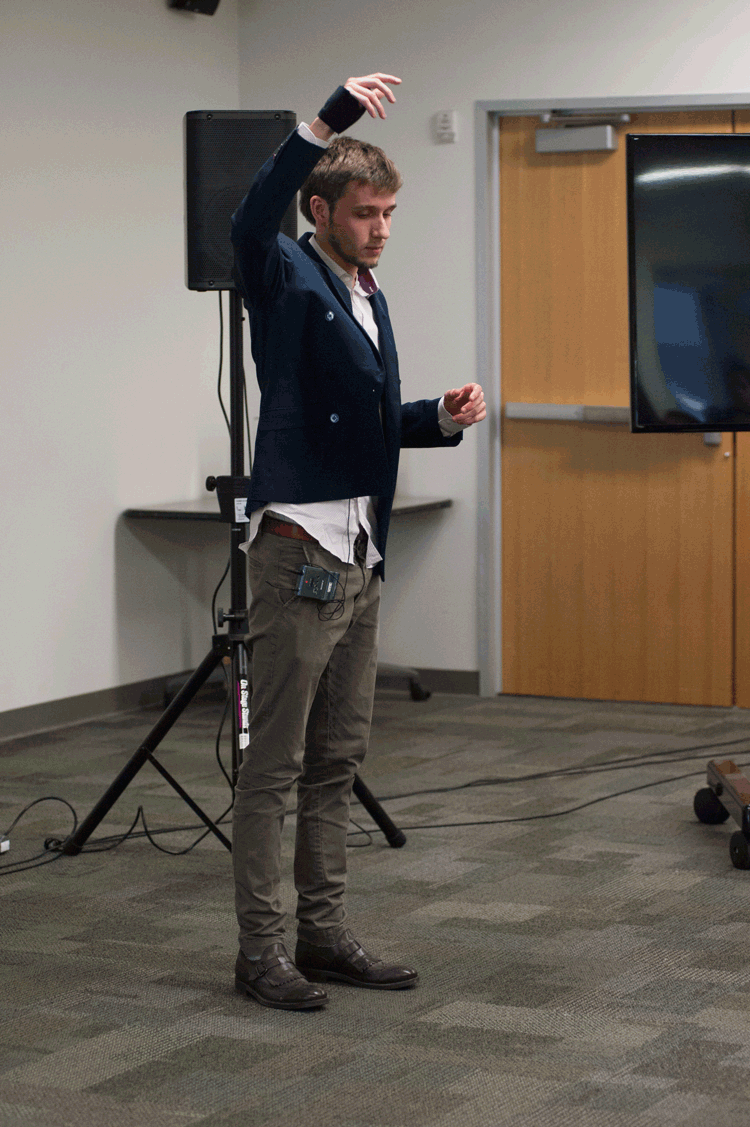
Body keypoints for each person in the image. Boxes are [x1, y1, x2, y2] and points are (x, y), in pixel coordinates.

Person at [230, 73, 486, 1011]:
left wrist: (438, 418)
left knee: (338, 758)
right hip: (300, 547)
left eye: (388, 213)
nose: (381, 227)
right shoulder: (285, 267)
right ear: (322, 209)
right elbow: (249, 219)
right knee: (277, 766)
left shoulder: (366, 287)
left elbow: (364, 417)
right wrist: (328, 117)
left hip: (362, 549)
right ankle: (261, 953)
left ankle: (323, 934)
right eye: (366, 213)